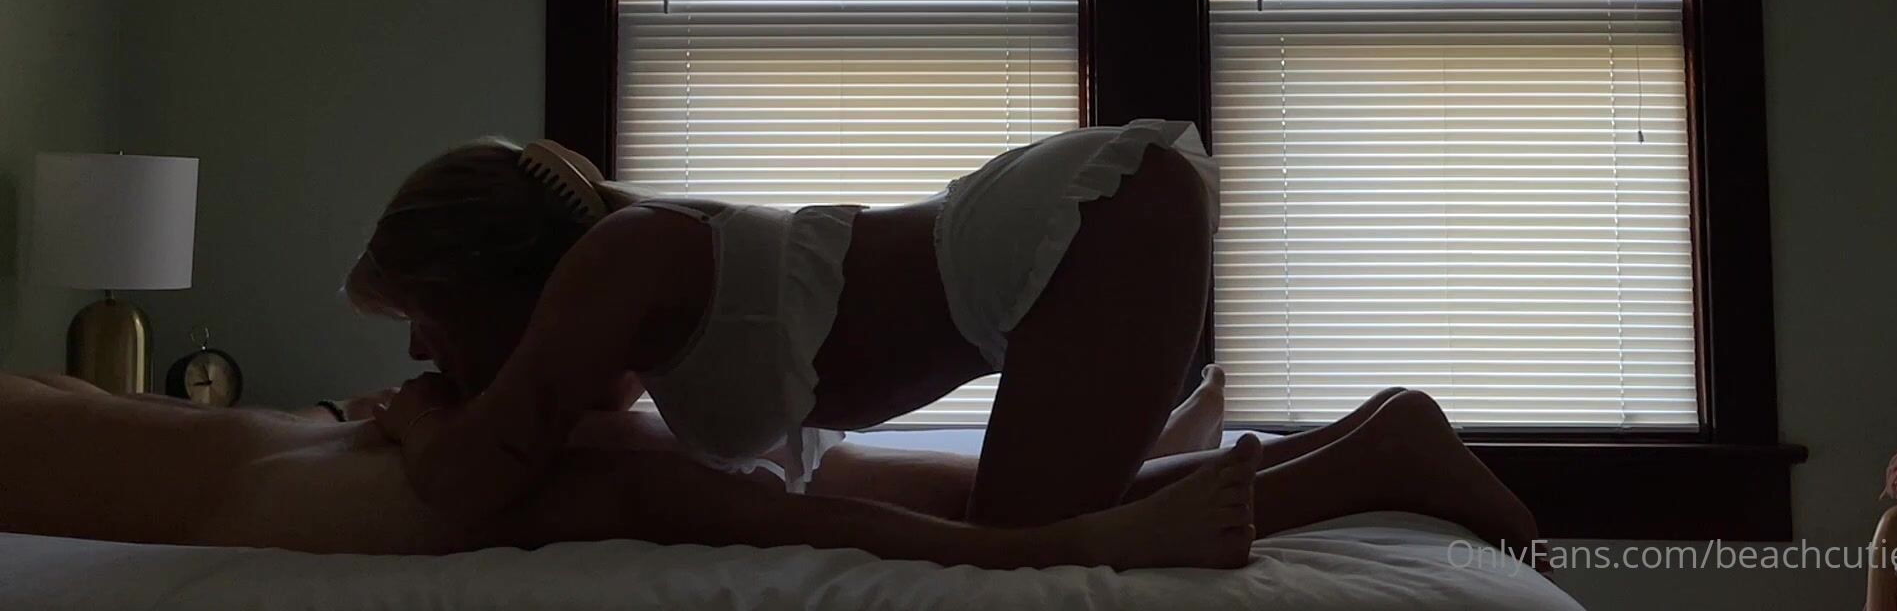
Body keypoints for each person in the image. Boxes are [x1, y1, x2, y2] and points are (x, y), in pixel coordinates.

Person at [343, 125, 1531, 553]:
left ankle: (1387, 456)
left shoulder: (620, 260)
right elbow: (578, 452)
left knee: (1034, 538)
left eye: (425, 325)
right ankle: (1368, 439)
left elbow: (468, 484)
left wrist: (417, 422)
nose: (419, 359)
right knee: (1018, 512)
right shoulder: (626, 291)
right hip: (1078, 230)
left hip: (1093, 223)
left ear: (489, 282)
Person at [0, 372, 1536, 568]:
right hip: (324, 466)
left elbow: (782, 511)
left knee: (988, 508)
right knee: (942, 493)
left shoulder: (526, 462)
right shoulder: (471, 446)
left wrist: (1095, 541)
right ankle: (1346, 453)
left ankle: (1342, 458)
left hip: (352, 468)